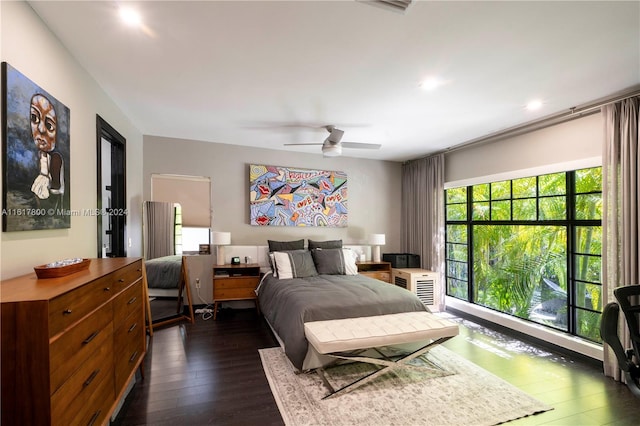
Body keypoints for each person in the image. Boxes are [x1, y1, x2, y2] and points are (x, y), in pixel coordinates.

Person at [29, 93, 64, 207]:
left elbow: (55, 188)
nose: (41, 129)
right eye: (34, 118)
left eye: (49, 126)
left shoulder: (56, 158)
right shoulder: (38, 156)